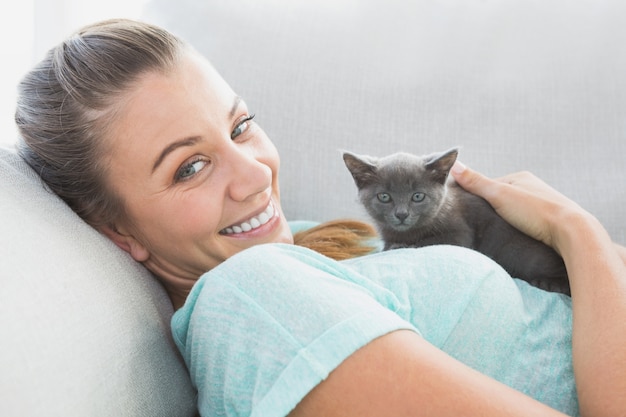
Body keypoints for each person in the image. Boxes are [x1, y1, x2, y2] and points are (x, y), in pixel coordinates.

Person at [14, 19, 626, 417]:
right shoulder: (253, 302)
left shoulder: (313, 247)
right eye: (190, 167)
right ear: (118, 232)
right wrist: (579, 233)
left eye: (241, 127)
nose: (256, 174)